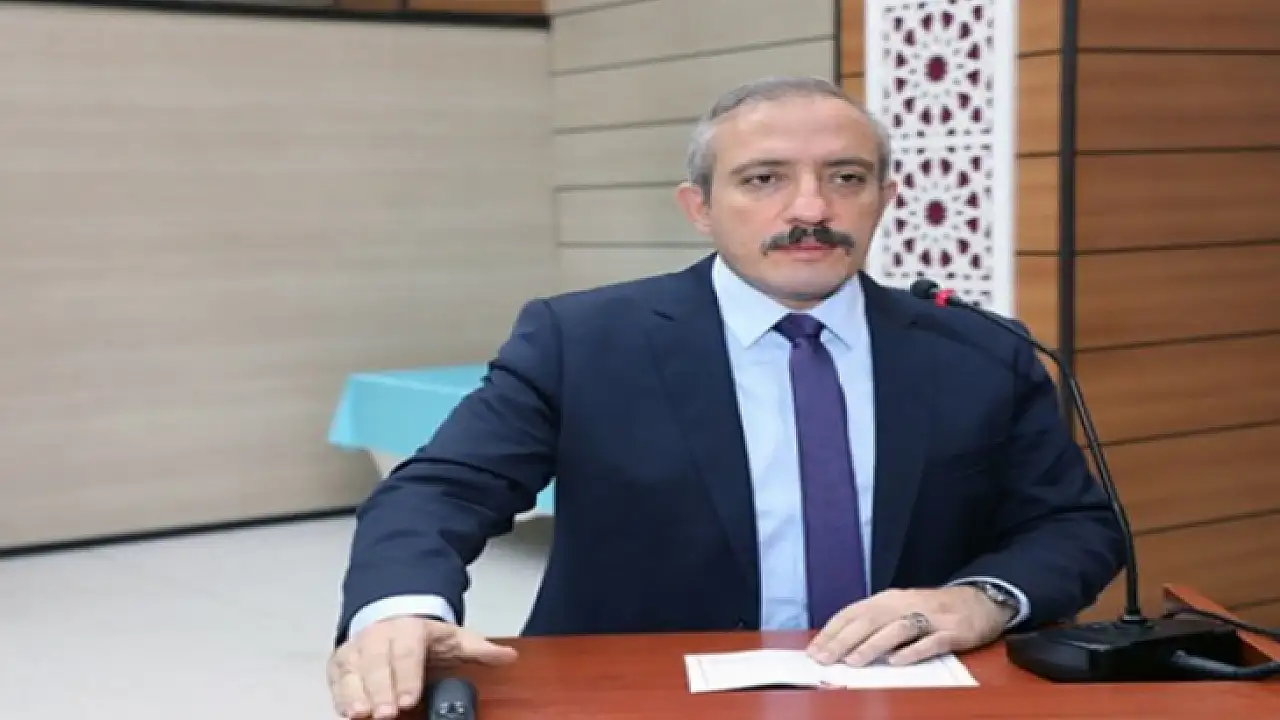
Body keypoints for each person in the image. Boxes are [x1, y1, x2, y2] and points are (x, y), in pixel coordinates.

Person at [326, 76, 1125, 719]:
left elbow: (1075, 525)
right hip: (640, 696)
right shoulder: (584, 340)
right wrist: (398, 609)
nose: (810, 209)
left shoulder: (979, 348)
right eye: (764, 179)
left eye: (845, 178)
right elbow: (440, 490)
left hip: (916, 692)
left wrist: (982, 599)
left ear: (884, 197)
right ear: (700, 207)